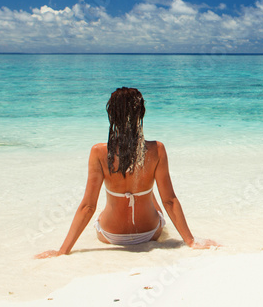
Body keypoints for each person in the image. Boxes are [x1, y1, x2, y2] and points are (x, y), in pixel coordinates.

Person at [36, 87, 217, 257]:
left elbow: (88, 207)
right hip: (150, 233)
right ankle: (142, 187)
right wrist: (191, 241)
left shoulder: (98, 152)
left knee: (107, 204)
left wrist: (63, 251)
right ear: (141, 114)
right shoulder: (157, 149)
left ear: (112, 115)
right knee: (151, 193)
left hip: (110, 235)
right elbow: (170, 200)